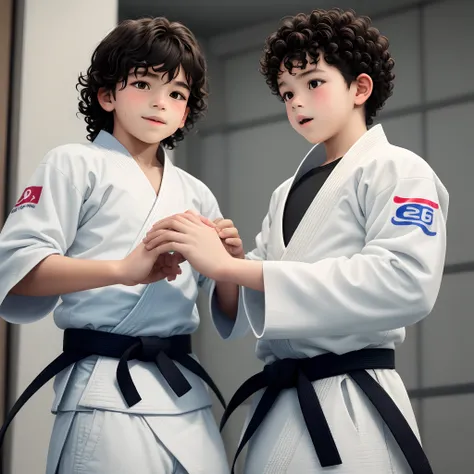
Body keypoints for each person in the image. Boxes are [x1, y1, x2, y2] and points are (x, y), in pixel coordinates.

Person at [143, 8, 448, 474]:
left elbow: (405, 280)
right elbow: (254, 303)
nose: (297, 103)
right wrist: (227, 261)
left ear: (360, 89)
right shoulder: (285, 192)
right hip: (278, 403)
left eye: (313, 83)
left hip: (352, 401)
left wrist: (234, 269)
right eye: (287, 93)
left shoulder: (399, 170)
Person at [0, 17, 240, 474]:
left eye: (176, 94)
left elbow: (226, 308)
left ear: (186, 111)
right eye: (144, 83)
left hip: (184, 392)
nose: (160, 102)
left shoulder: (195, 192)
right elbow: (16, 270)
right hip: (102, 386)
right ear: (107, 94)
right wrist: (123, 270)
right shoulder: (73, 164)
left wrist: (231, 264)